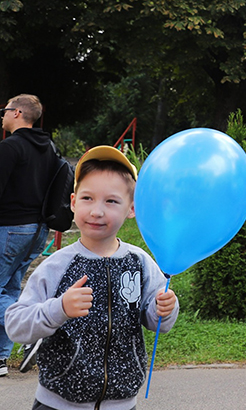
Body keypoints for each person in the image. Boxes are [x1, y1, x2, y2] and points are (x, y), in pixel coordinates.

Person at [5, 145, 179, 410]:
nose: (97, 211)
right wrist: (59, 309)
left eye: (111, 201)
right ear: (73, 202)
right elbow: (16, 324)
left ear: (131, 208)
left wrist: (165, 309)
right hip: (58, 403)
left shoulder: (140, 262)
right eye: (87, 198)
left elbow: (157, 322)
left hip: (122, 403)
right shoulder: (57, 265)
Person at [0, 94, 58, 377]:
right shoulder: (49, 147)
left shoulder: (10, 147)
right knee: (10, 290)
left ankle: (32, 334)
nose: (3, 114)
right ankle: (0, 359)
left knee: (3, 290)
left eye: (5, 110)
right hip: (37, 230)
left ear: (18, 113)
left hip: (9, 228)